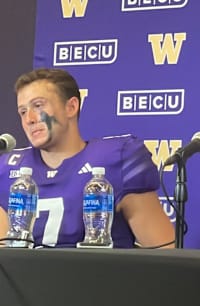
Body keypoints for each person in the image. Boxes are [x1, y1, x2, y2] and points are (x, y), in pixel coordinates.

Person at [0, 68, 175, 248]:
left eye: (38, 106)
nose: (29, 119)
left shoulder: (118, 159)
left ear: (71, 107)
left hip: (99, 275)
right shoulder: (9, 169)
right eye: (22, 111)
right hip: (25, 276)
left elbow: (164, 255)